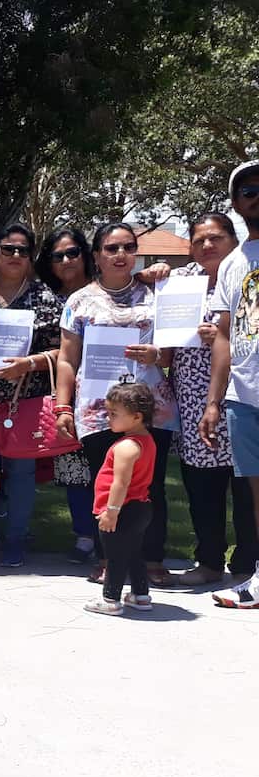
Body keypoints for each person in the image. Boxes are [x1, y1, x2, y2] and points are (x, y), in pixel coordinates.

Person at [55, 222, 179, 587]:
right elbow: (67, 359)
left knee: (150, 488)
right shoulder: (78, 301)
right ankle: (109, 558)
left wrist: (158, 355)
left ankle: (151, 559)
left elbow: (171, 350)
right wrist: (63, 406)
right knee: (106, 486)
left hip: (150, 409)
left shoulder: (157, 294)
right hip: (99, 411)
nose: (121, 254)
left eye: (128, 247)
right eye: (111, 248)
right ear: (96, 256)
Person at [0, 223, 63, 566]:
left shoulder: (44, 297)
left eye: (23, 250)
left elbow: (64, 352)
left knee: (21, 475)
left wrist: (29, 363)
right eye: (8, 249)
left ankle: (16, 539)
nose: (15, 255)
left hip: (24, 401)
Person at [167, 214, 257, 585]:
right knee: (203, 488)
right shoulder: (180, 282)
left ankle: (247, 564)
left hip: (243, 395)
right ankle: (209, 563)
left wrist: (221, 334)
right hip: (193, 399)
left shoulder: (248, 274)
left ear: (233, 239)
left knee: (247, 487)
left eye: (215, 237)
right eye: (199, 240)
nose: (207, 245)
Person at [202, 160, 259, 609]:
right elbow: (223, 335)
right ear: (237, 203)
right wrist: (214, 402)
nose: (257, 196)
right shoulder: (233, 264)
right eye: (248, 191)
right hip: (244, 396)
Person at [35, 228, 100, 563]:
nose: (66, 260)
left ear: (85, 254)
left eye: (72, 252)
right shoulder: (46, 299)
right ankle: (85, 535)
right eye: (57, 256)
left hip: (108, 393)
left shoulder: (107, 289)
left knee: (111, 466)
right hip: (67, 393)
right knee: (74, 467)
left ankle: (115, 537)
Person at [85, 383, 158, 615]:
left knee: (115, 556)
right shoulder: (146, 440)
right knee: (134, 552)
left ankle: (110, 599)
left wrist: (112, 511)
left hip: (122, 510)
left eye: (114, 414)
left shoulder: (127, 446)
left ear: (137, 417)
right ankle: (140, 595)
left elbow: (121, 483)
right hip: (140, 508)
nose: (108, 418)